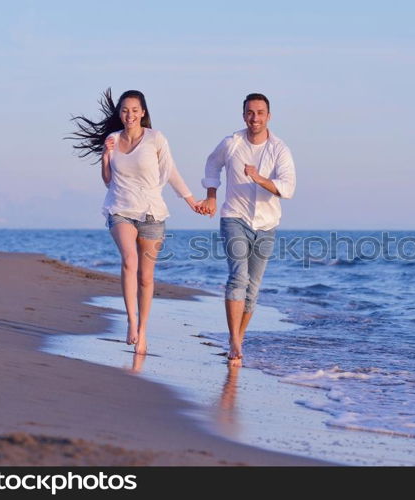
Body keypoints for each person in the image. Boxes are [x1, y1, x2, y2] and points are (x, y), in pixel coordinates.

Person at [69, 89, 199, 355]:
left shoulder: (156, 139)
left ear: (143, 112)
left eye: (134, 110)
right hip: (120, 209)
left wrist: (191, 200)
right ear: (120, 113)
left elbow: (171, 172)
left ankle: (143, 331)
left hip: (152, 212)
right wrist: (106, 156)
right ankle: (131, 321)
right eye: (125, 110)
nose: (129, 114)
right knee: (129, 260)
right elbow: (108, 180)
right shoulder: (113, 139)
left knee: (146, 276)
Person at [197, 93, 296, 366]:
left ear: (269, 116)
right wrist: (212, 195)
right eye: (250, 113)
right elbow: (212, 163)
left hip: (267, 225)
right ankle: (235, 340)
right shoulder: (232, 143)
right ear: (243, 115)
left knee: (253, 288)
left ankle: (237, 339)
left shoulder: (279, 149)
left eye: (260, 113)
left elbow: (287, 188)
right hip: (234, 218)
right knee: (238, 278)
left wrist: (258, 177)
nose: (255, 118)